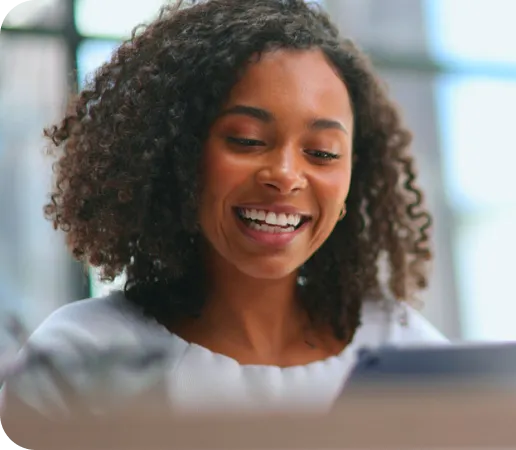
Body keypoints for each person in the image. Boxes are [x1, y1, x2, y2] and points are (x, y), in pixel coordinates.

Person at [0, 0, 447, 417]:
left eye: (323, 153)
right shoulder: (81, 358)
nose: (286, 175)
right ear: (178, 153)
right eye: (247, 140)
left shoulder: (407, 351)